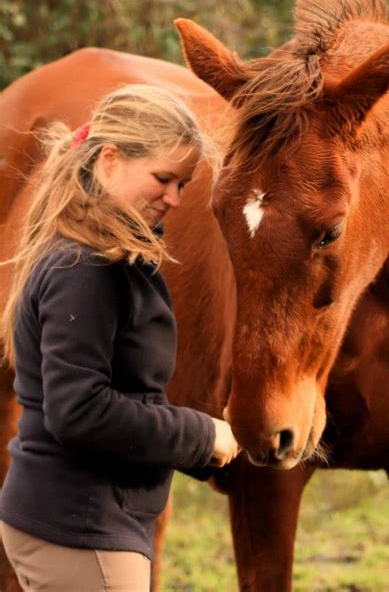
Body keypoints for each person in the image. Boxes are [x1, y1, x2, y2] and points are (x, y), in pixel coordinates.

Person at [0, 84, 239, 591]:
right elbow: (79, 411)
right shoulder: (84, 269)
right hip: (81, 529)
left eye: (183, 184)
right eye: (164, 179)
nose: (174, 199)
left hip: (88, 520)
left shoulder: (99, 257)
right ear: (109, 160)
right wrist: (199, 435)